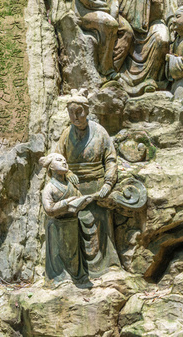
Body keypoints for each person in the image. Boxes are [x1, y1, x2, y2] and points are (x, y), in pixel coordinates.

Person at [56, 89, 122, 276]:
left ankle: (106, 268)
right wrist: (66, 173)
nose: (75, 117)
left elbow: (110, 159)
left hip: (97, 188)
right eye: (71, 113)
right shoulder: (66, 134)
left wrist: (108, 184)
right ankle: (77, 271)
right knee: (73, 226)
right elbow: (57, 158)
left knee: (100, 225)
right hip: (74, 190)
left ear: (87, 111)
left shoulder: (100, 132)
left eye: (79, 112)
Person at [114, 0, 178, 95]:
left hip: (156, 22)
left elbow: (170, 3)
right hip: (132, 24)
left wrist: (173, 23)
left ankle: (154, 80)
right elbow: (121, 0)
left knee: (162, 38)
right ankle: (126, 79)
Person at [41, 153, 94, 284]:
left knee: (73, 255)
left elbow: (79, 197)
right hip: (57, 226)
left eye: (65, 160)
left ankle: (77, 277)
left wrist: (84, 201)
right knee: (57, 255)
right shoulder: (50, 187)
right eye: (59, 160)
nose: (64, 162)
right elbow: (49, 209)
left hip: (72, 224)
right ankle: (58, 278)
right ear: (51, 167)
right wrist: (66, 203)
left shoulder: (70, 184)